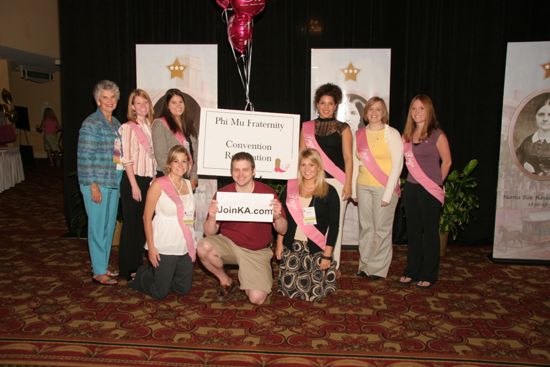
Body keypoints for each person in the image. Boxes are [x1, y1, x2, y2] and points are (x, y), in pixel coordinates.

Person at [197, 152, 287, 305]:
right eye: (236, 170)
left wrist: (277, 217)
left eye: (245, 169)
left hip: (256, 249)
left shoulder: (267, 193)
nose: (240, 174)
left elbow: (283, 230)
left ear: (253, 171)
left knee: (257, 298)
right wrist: (212, 217)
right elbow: (209, 232)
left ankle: (251, 275)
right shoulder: (222, 194)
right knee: (203, 247)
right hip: (229, 244)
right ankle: (225, 280)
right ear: (231, 172)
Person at [129, 145, 196, 299]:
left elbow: (190, 215)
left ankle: (162, 275)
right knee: (160, 293)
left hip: (184, 243)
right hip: (164, 243)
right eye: (176, 161)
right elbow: (146, 217)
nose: (180, 165)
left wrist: (193, 240)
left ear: (188, 164)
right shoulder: (158, 185)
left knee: (183, 289)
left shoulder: (188, 184)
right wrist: (151, 248)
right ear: (169, 164)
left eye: (184, 161)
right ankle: (142, 274)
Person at [400, 94, 451, 289]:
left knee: (429, 233)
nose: (417, 112)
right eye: (414, 108)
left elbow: (447, 161)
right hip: (411, 188)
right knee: (412, 232)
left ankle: (429, 273)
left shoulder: (437, 135)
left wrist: (437, 183)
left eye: (421, 108)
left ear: (429, 110)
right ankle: (412, 270)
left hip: (430, 190)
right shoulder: (407, 137)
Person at [300, 83, 353, 271]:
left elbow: (348, 158)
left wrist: (348, 184)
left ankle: (332, 264)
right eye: (323, 103)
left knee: (333, 225)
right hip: (312, 181)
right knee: (312, 221)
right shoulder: (307, 127)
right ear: (317, 104)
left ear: (336, 105)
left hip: (336, 182)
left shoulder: (343, 128)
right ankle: (312, 260)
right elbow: (302, 156)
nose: (326, 107)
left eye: (330, 103)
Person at [276, 148, 340, 301]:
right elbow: (281, 219)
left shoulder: (329, 191)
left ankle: (328, 271)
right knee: (288, 290)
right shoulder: (290, 189)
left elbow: (334, 225)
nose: (307, 169)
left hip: (315, 247)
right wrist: (279, 244)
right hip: (292, 245)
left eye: (311, 165)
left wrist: (327, 255)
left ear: (318, 167)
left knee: (313, 294)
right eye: (303, 165)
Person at [77, 80, 123, 285]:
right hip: (96, 184)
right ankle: (98, 271)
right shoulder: (91, 123)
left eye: (113, 97)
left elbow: (117, 157)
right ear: (97, 100)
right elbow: (84, 157)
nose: (109, 101)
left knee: (108, 226)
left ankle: (102, 265)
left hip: (113, 183)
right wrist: (92, 185)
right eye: (105, 97)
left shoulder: (117, 125)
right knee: (97, 227)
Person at [353, 97, 403, 280]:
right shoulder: (359, 134)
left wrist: (388, 194)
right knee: (366, 227)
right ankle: (365, 265)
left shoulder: (393, 134)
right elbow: (355, 161)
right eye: (371, 109)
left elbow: (398, 164)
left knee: (381, 229)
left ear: (384, 113)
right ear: (366, 113)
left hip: (384, 188)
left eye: (378, 109)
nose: (374, 113)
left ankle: (377, 269)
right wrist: (352, 190)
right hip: (363, 186)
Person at [118, 89, 157, 281]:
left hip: (148, 180)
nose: (142, 106)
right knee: (131, 226)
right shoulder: (127, 127)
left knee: (143, 225)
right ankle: (128, 268)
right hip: (133, 180)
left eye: (145, 103)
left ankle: (138, 265)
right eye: (138, 103)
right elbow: (126, 159)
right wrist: (134, 185)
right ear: (132, 106)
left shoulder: (150, 126)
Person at [152, 89, 198, 187]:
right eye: (174, 103)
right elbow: (161, 157)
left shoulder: (190, 124)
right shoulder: (160, 124)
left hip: (186, 176)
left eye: (180, 102)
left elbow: (196, 153)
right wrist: (174, 179)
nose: (178, 106)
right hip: (168, 177)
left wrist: (194, 176)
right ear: (167, 105)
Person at [516, 98, 550, 176]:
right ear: (535, 116)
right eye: (541, 114)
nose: (545, 119)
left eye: (549, 115)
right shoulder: (526, 142)